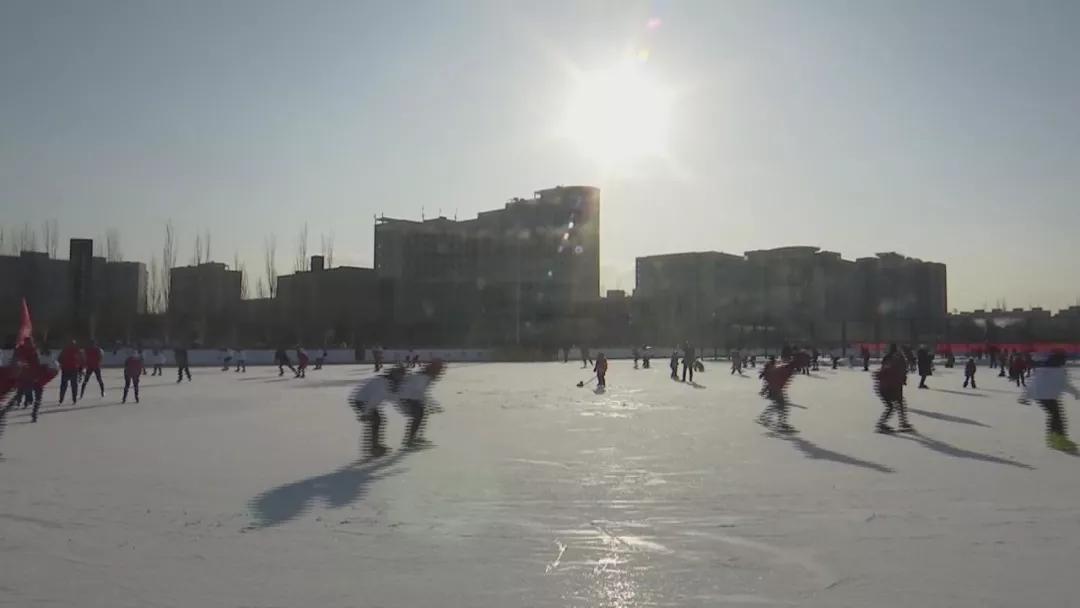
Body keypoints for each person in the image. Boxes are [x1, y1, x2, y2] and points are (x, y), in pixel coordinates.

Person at [1019, 350, 1078, 452]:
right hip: (1049, 396)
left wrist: (1025, 396)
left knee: (1054, 414)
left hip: (1041, 396)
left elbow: (1033, 383)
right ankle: (1058, 438)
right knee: (1057, 415)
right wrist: (1076, 393)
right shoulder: (1058, 370)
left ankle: (1052, 437)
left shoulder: (1042, 368)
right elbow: (1064, 384)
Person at [348, 365, 408, 458]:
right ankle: (374, 448)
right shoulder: (383, 384)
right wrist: (365, 413)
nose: (402, 379)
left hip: (366, 400)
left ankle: (374, 447)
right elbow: (374, 399)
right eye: (400, 376)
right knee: (377, 420)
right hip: (361, 400)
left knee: (377, 421)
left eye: (403, 376)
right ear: (394, 375)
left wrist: (406, 411)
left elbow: (395, 399)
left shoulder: (391, 384)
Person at [397, 360, 446, 448]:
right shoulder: (424, 377)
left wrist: (429, 403)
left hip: (410, 396)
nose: (440, 373)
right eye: (439, 371)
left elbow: (419, 392)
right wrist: (432, 404)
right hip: (406, 396)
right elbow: (418, 392)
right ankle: (410, 440)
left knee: (421, 414)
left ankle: (415, 437)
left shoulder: (426, 376)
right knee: (418, 415)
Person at [756, 353, 804, 433]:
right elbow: (773, 376)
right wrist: (768, 388)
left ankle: (765, 418)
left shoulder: (788, 369)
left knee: (779, 405)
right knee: (782, 405)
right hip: (774, 388)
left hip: (775, 388)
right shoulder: (786, 369)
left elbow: (777, 377)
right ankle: (780, 423)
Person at [874, 345, 914, 433]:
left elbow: (883, 373)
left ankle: (901, 423)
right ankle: (882, 425)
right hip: (888, 387)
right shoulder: (897, 362)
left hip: (887, 387)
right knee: (892, 406)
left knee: (898, 404)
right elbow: (891, 373)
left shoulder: (895, 361)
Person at [57, 339, 82, 405]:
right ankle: (74, 399)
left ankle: (61, 399)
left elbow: (59, 359)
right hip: (74, 370)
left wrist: (63, 364)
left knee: (63, 385)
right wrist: (80, 370)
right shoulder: (77, 350)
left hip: (65, 370)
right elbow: (81, 360)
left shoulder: (64, 350)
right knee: (74, 385)